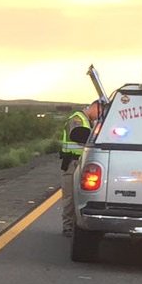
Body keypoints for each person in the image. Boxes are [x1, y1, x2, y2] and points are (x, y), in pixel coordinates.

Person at [60, 100, 101, 236]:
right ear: (94, 107)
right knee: (70, 197)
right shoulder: (77, 119)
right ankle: (68, 226)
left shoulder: (89, 121)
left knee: (84, 196)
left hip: (83, 164)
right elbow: (77, 135)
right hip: (73, 163)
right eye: (99, 111)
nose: (99, 115)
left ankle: (80, 225)